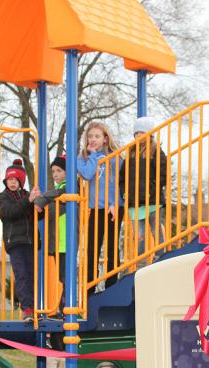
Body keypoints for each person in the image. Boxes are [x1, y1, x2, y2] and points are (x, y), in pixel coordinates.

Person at [118, 116, 168, 267]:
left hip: (152, 200)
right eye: (136, 134)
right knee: (139, 234)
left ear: (150, 135)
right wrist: (124, 193)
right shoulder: (130, 153)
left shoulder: (156, 151)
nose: (139, 136)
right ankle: (140, 262)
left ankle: (160, 256)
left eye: (142, 133)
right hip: (135, 202)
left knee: (155, 229)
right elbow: (123, 177)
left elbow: (163, 174)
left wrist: (152, 190)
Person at [77, 121, 121, 290]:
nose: (93, 139)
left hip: (114, 207)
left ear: (105, 138)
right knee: (92, 249)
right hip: (95, 208)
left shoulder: (114, 156)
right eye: (90, 136)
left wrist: (114, 203)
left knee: (111, 248)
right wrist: (93, 155)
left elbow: (118, 183)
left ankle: (111, 288)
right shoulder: (83, 157)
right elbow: (88, 174)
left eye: (97, 136)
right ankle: (90, 289)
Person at [0, 159, 39, 321]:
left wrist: (38, 205)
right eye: (10, 180)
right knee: (21, 275)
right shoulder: (4, 197)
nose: (12, 183)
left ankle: (35, 306)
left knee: (31, 275)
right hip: (15, 242)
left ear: (21, 181)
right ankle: (27, 309)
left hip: (29, 242)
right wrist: (28, 201)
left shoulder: (27, 195)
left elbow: (35, 216)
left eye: (15, 180)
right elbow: (9, 213)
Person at [34, 154, 67, 317]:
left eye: (59, 170)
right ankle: (63, 304)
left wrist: (41, 200)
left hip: (66, 240)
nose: (55, 174)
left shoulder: (69, 187)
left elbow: (56, 197)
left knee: (66, 275)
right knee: (62, 276)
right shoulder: (58, 193)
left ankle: (66, 304)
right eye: (53, 171)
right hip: (57, 241)